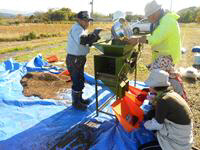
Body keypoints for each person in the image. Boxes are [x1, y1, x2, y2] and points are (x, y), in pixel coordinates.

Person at [128, 0, 187, 100]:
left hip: (167, 56)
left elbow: (155, 38)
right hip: (165, 55)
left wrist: (137, 39)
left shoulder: (167, 21)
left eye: (149, 16)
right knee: (166, 77)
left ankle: (163, 99)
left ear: (155, 13)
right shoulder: (163, 20)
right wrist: (139, 38)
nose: (148, 19)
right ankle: (174, 96)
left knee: (158, 79)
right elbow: (155, 36)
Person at [139, 69, 193, 150]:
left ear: (155, 86)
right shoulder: (170, 94)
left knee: (142, 148)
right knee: (150, 114)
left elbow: (157, 125)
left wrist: (144, 124)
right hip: (184, 135)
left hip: (177, 143)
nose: (149, 87)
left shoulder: (163, 100)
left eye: (150, 85)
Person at [66, 11, 101, 110]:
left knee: (80, 79)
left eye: (89, 21)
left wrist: (94, 37)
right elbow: (83, 40)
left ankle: (80, 99)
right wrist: (94, 34)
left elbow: (86, 42)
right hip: (75, 59)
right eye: (85, 21)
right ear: (79, 20)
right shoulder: (77, 28)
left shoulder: (81, 29)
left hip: (78, 58)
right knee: (77, 80)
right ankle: (76, 102)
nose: (87, 23)